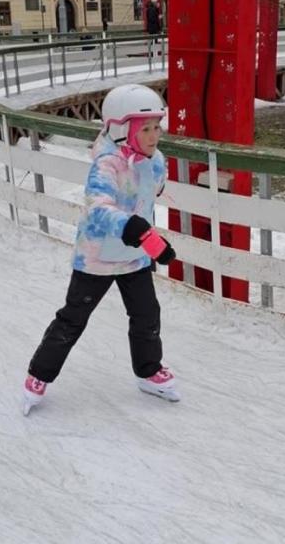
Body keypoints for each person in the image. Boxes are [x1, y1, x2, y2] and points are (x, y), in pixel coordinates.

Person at [23, 83, 179, 415]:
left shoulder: (156, 160)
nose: (154, 136)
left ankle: (148, 370)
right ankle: (39, 375)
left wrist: (150, 239)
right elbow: (97, 206)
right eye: (145, 129)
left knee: (146, 313)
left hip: (134, 255)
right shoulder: (107, 164)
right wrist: (135, 228)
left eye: (156, 127)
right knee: (73, 318)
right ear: (121, 129)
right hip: (96, 257)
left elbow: (148, 197)